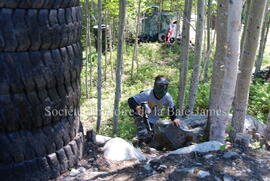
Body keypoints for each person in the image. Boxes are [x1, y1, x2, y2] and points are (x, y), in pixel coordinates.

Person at [128, 75, 181, 143]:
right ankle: (140, 143)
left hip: (154, 118)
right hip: (142, 115)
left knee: (152, 137)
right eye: (160, 86)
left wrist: (174, 119)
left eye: (164, 86)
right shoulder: (147, 94)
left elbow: (172, 109)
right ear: (156, 85)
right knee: (143, 135)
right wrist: (137, 107)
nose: (162, 89)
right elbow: (131, 100)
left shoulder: (168, 97)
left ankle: (140, 141)